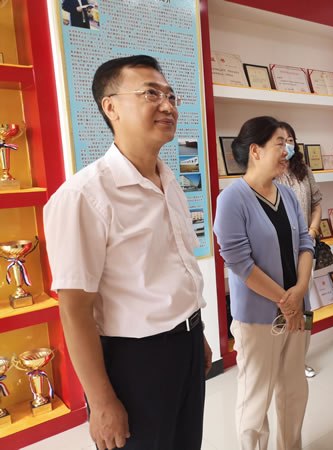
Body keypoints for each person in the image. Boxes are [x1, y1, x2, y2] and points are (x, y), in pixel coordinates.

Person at [43, 55, 212, 450]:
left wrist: (197, 333)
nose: (167, 105)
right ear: (111, 107)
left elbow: (177, 269)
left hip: (187, 344)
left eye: (170, 95)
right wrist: (101, 402)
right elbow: (75, 310)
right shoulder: (84, 196)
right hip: (135, 362)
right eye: (151, 94)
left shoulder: (168, 181)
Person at [213, 116, 313, 450]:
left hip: (298, 310)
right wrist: (287, 301)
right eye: (280, 143)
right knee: (255, 398)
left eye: (289, 143)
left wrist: (300, 292)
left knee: (293, 390)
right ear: (255, 151)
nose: (288, 151)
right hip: (258, 317)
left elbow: (305, 244)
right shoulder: (231, 199)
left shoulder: (287, 194)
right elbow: (240, 263)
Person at [274, 121, 323, 378]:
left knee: (305, 303)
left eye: (290, 140)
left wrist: (312, 231)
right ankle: (279, 359)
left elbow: (316, 203)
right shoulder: (269, 173)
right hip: (278, 252)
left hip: (305, 249)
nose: (287, 145)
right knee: (282, 303)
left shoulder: (304, 171)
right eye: (281, 141)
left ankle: (299, 358)